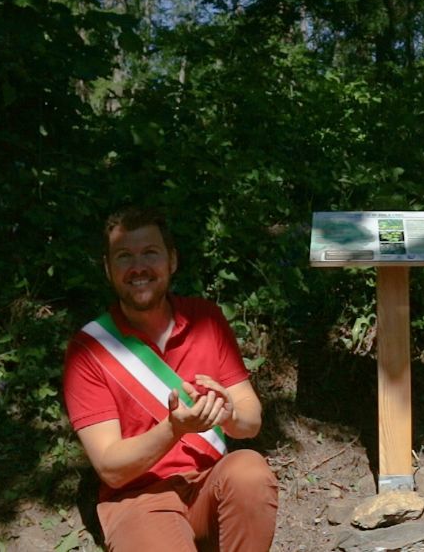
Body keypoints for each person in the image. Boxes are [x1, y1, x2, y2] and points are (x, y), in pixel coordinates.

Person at [62, 208, 278, 551]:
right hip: (138, 498)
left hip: (209, 484)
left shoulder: (207, 319)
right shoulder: (89, 350)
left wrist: (228, 414)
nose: (138, 267)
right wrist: (173, 429)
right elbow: (111, 468)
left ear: (172, 260)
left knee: (249, 470)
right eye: (124, 257)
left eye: (150, 253)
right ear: (108, 269)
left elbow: (250, 423)